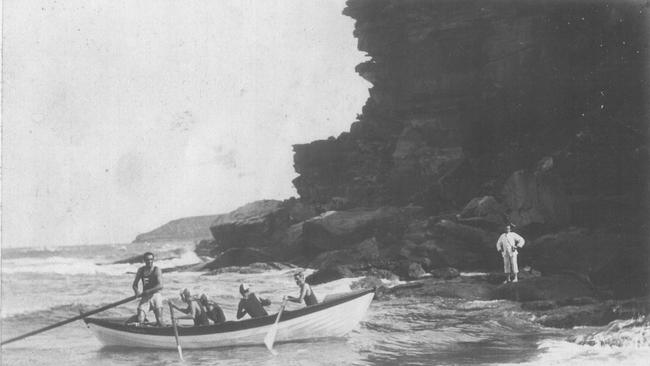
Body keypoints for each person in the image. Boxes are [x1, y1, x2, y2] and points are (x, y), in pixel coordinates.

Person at [132, 251, 164, 326]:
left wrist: (149, 291)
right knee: (140, 319)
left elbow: (160, 286)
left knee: (159, 320)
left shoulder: (157, 270)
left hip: (156, 295)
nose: (149, 261)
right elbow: (134, 285)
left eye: (151, 259)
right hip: (145, 297)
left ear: (153, 260)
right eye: (147, 260)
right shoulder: (141, 270)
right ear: (144, 260)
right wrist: (136, 292)